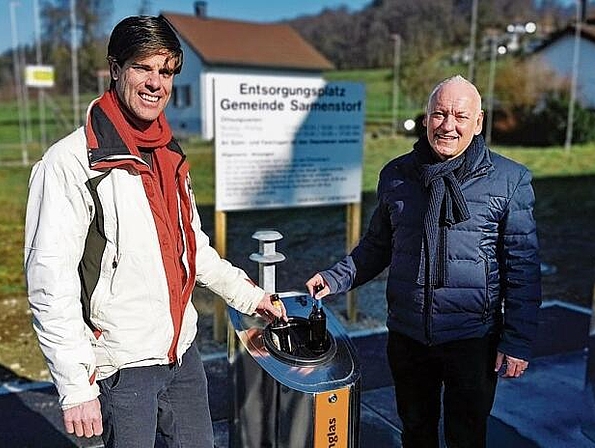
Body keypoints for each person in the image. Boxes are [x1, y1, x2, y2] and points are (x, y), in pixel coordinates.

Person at [24, 15, 286, 447]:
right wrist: (76, 388)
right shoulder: (68, 165)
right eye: (142, 67)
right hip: (121, 368)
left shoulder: (168, 154)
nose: (155, 83)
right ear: (114, 69)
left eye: (165, 71)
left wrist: (252, 297)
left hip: (182, 355)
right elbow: (49, 285)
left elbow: (192, 249)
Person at [306, 75, 541, 448]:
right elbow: (377, 246)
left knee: (466, 436)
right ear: (426, 118)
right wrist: (336, 278)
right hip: (408, 335)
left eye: (460, 117)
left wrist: (517, 340)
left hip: (473, 339)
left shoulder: (509, 180)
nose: (448, 125)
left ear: (478, 123)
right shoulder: (396, 175)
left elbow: (523, 269)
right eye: (439, 114)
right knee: (416, 433)